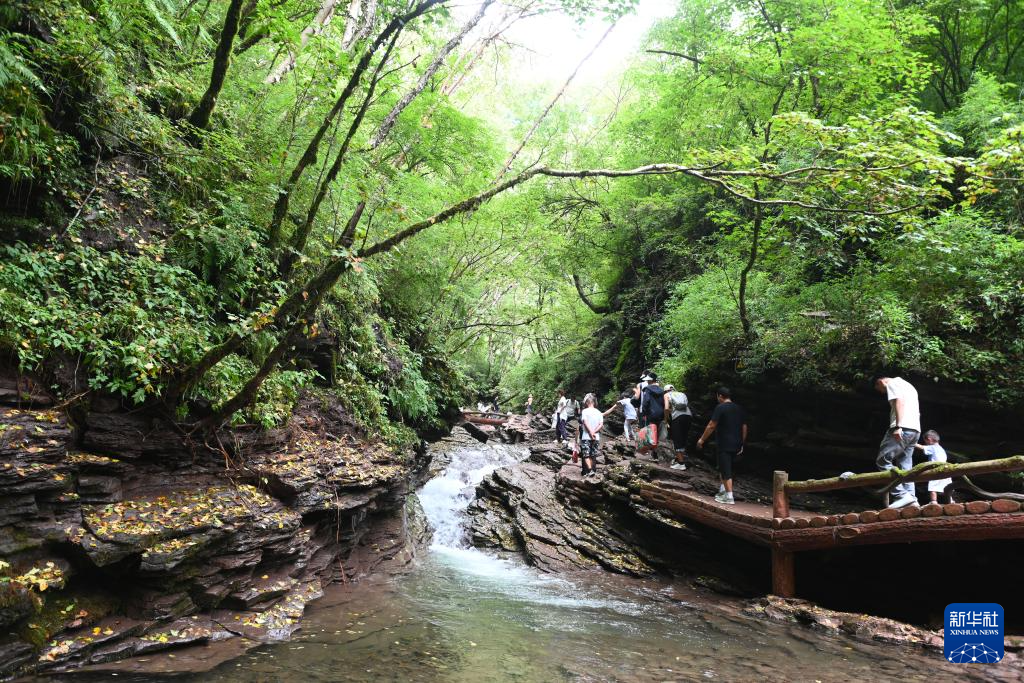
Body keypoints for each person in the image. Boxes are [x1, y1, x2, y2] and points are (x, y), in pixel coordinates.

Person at [873, 375, 922, 509]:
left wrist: (898, 426)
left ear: (881, 382)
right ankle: (912, 499)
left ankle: (901, 495)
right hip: (915, 430)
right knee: (905, 466)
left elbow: (899, 401)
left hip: (903, 428)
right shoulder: (909, 386)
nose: (882, 392)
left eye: (880, 389)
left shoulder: (892, 383)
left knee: (883, 460)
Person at [697, 386, 747, 505]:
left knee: (725, 469)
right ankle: (723, 491)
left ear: (720, 396)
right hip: (737, 443)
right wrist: (742, 443)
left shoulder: (720, 407)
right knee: (724, 467)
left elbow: (711, 425)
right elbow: (744, 426)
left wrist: (702, 439)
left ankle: (729, 497)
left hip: (724, 442)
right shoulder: (739, 408)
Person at [914, 429, 954, 504]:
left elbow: (921, 447)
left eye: (925, 441)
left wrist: (912, 443)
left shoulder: (933, 447)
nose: (925, 443)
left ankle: (933, 501)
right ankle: (950, 500)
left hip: (937, 470)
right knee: (947, 486)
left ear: (929, 439)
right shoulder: (941, 449)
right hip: (946, 470)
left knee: (933, 486)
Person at [573, 393, 604, 477]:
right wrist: (594, 432)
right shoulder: (599, 412)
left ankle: (589, 471)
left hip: (586, 436)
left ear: (586, 402)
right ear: (594, 402)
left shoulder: (585, 411)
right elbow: (601, 424)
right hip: (596, 437)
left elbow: (585, 422)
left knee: (586, 454)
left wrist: (590, 432)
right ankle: (593, 470)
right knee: (593, 454)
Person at [663, 384, 692, 470]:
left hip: (677, 417)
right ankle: (681, 458)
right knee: (683, 437)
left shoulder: (667, 395)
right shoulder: (682, 394)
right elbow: (685, 405)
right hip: (688, 416)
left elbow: (666, 408)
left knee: (677, 438)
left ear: (665, 391)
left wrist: (666, 419)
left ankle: (681, 463)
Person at [638, 372, 666, 457]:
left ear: (651, 380)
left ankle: (648, 451)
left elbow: (646, 402)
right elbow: (664, 403)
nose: (647, 382)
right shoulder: (662, 390)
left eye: (648, 380)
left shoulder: (648, 389)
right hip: (660, 413)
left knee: (649, 431)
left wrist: (644, 413)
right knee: (656, 431)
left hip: (651, 413)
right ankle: (655, 450)